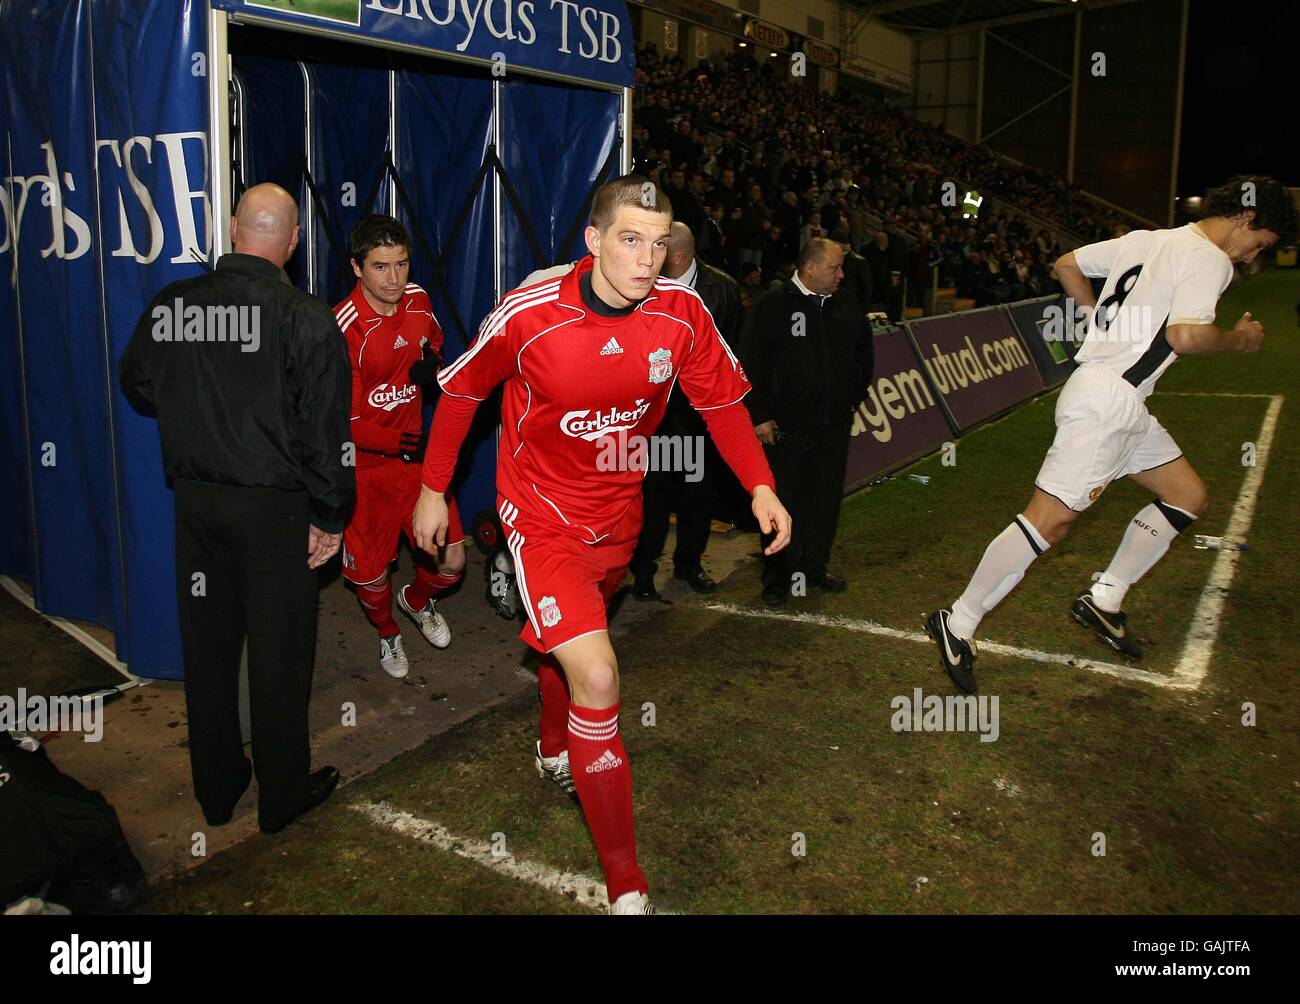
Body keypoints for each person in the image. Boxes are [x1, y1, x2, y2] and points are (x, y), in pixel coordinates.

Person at [412, 176, 791, 914]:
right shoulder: (531, 313)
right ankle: (626, 886)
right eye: (629, 239)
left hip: (619, 515)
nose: (648, 258)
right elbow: (460, 390)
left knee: (570, 657)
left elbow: (721, 403)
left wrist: (761, 486)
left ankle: (553, 746)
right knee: (602, 677)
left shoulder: (682, 314)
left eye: (659, 242)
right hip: (541, 518)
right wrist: (435, 488)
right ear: (592, 241)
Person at [924, 175, 1297, 693]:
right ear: (1248, 218)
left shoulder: (1148, 240)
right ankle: (957, 622)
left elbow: (1067, 264)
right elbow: (1186, 336)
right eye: (1262, 244)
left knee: (1186, 496)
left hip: (1121, 401)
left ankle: (1104, 598)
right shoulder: (1208, 258)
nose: (1254, 255)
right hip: (1109, 404)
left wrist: (1093, 316)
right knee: (1050, 523)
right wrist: (1241, 341)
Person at [119, 183, 351, 833]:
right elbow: (328, 432)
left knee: (209, 650)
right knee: (280, 655)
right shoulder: (304, 317)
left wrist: (198, 409)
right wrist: (331, 517)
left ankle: (216, 791)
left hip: (196, 505)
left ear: (230, 228)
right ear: (294, 239)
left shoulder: (175, 304)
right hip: (273, 511)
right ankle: (280, 796)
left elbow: (136, 381)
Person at [334, 214, 466, 679]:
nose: (394, 279)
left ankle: (417, 600)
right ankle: (388, 632)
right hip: (365, 471)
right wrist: (407, 440)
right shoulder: (344, 329)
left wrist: (430, 364)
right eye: (380, 267)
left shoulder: (418, 299)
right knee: (370, 578)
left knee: (452, 561)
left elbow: (433, 341)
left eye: (402, 264)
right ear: (356, 268)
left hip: (415, 467)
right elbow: (342, 424)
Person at [740, 237, 874, 607]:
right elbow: (750, 363)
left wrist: (852, 397)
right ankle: (777, 576)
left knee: (825, 499)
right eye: (835, 267)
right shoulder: (772, 305)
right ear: (811, 268)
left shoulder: (846, 304)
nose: (841, 275)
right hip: (786, 427)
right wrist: (761, 415)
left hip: (833, 423)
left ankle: (815, 567)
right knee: (783, 500)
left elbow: (864, 355)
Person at [629, 222, 742, 600]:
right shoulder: (640, 285)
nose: (649, 256)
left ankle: (689, 565)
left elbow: (733, 355)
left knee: (698, 498)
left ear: (677, 255)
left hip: (699, 419)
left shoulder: (721, 289)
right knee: (651, 500)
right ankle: (643, 572)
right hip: (655, 420)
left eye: (659, 247)